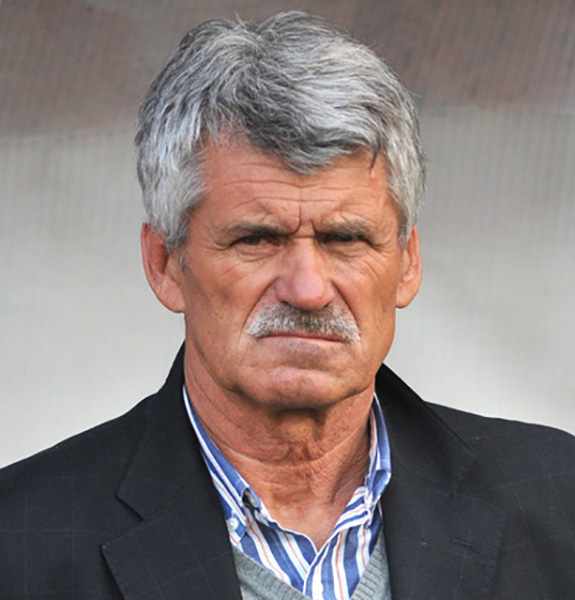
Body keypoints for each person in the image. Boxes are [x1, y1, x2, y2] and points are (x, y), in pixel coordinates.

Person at [1, 11, 574, 600]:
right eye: (257, 239)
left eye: (345, 238)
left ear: (408, 262)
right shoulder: (19, 546)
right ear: (165, 263)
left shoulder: (559, 500)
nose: (307, 290)